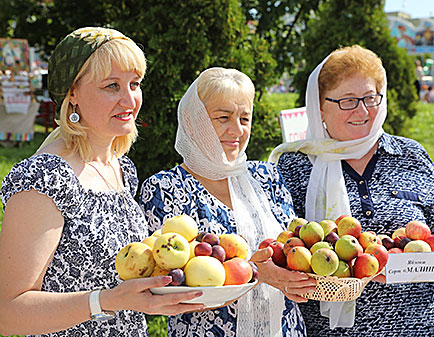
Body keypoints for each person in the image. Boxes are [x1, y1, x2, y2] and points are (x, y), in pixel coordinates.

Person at [0, 27, 204, 337]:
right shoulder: (44, 177)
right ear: (73, 94)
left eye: (134, 84)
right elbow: (9, 311)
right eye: (112, 86)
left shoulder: (121, 168)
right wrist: (105, 301)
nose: (129, 99)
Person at [269, 45, 434, 336]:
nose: (363, 111)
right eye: (348, 101)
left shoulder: (411, 155)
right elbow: (281, 247)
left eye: (370, 98)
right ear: (320, 107)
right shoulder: (295, 166)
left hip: (423, 327)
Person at [140, 67, 315, 337]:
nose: (236, 130)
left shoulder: (266, 176)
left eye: (244, 118)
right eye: (223, 117)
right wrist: (255, 272)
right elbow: (170, 280)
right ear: (191, 119)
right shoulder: (165, 188)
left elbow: (290, 244)